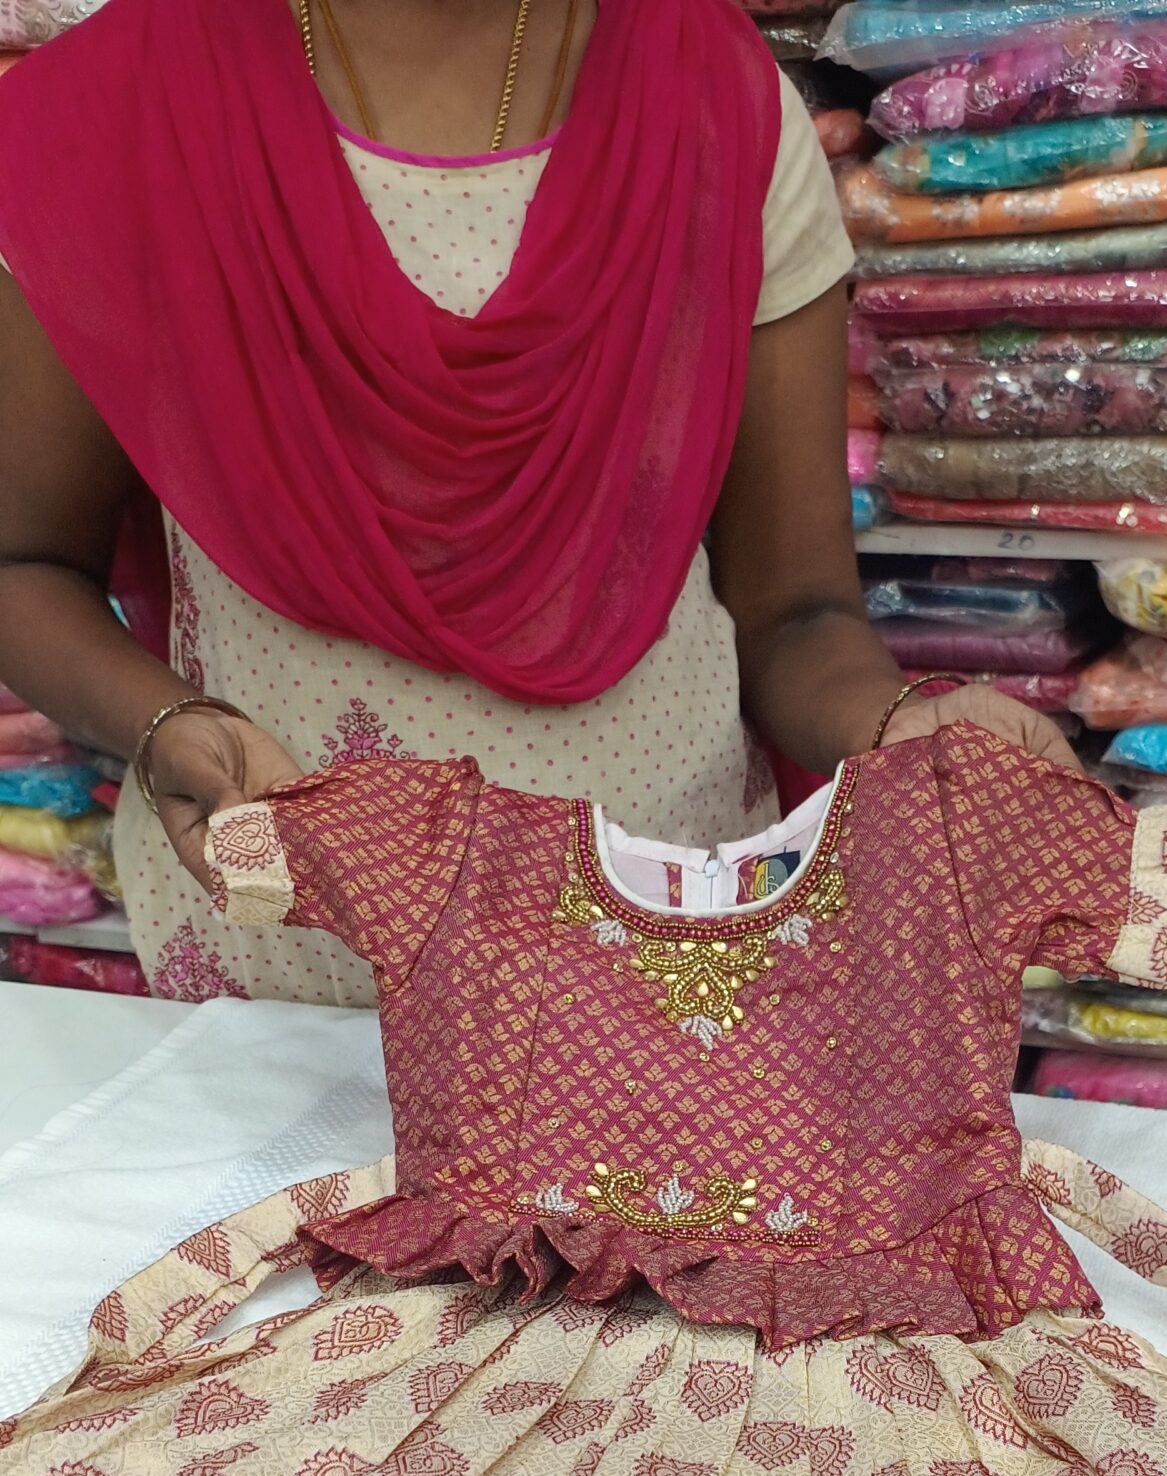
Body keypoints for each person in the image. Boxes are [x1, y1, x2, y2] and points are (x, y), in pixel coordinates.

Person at [0, 0, 1074, 1006]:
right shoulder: (116, 112)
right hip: (286, 987)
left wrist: (901, 731)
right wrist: (165, 723)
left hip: (669, 978)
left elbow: (796, 610)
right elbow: (25, 564)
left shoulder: (713, 99)